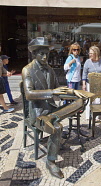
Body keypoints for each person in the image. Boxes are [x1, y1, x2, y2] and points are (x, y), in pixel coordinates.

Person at [22, 37, 88, 179]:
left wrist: (73, 93)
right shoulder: (27, 70)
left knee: (80, 102)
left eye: (47, 53)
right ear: (34, 54)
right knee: (57, 128)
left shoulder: (50, 69)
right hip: (37, 112)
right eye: (42, 54)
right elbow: (29, 94)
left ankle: (50, 118)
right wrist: (52, 92)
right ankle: (51, 161)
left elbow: (59, 88)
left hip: (51, 110)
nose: (45, 57)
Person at [82, 46, 101, 119]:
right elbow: (84, 73)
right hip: (89, 83)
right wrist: (83, 84)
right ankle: (88, 116)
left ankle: (95, 115)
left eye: (91, 53)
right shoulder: (87, 62)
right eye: (89, 53)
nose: (90, 55)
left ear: (96, 53)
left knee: (97, 100)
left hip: (99, 83)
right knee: (89, 99)